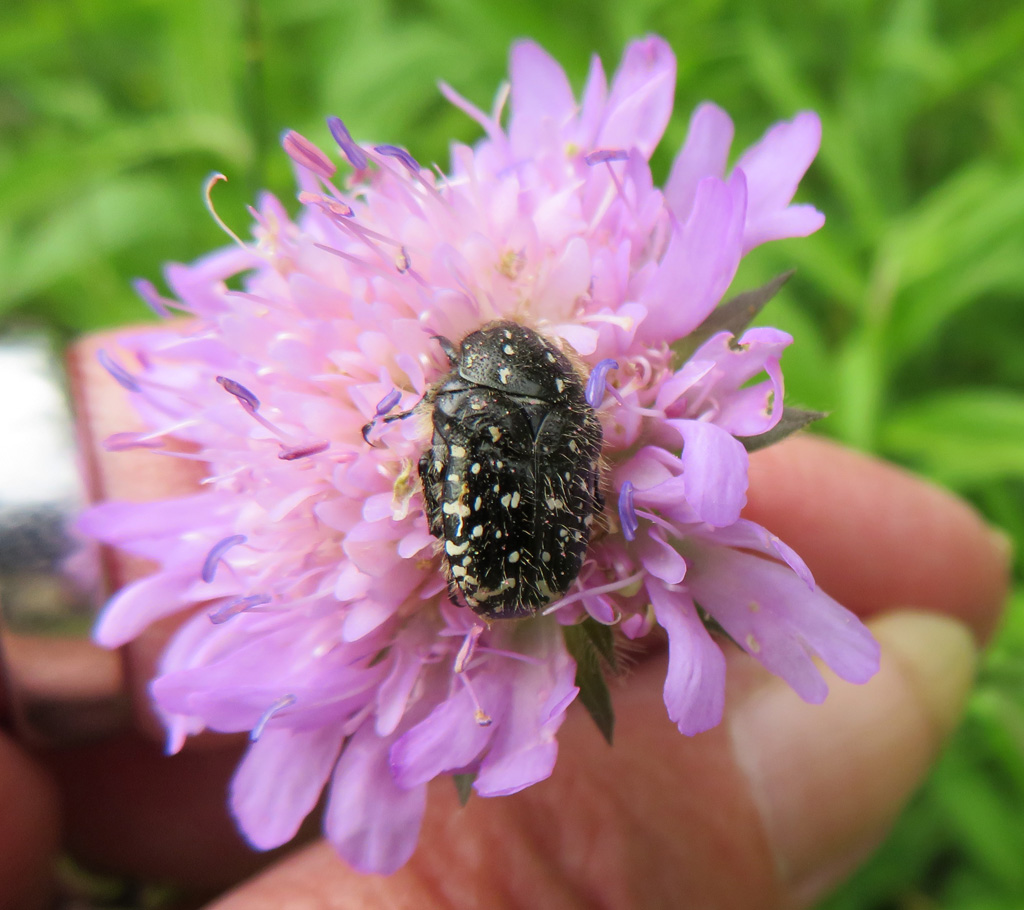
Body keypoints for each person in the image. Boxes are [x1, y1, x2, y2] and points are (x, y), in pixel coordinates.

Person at [0, 338, 1010, 910]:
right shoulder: (546, 408)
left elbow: (457, 483)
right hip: (530, 583)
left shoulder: (466, 414)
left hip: (517, 582)